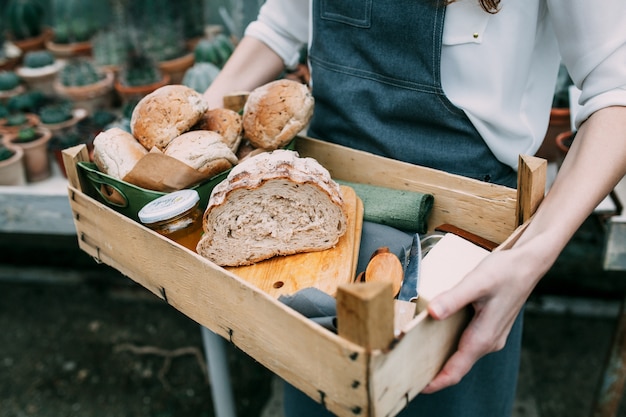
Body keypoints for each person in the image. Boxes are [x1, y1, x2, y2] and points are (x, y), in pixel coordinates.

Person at [205, 0, 626, 415]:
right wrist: (195, 136)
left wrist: (531, 258)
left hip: (463, 246)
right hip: (314, 228)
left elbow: (615, 91)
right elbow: (278, 28)